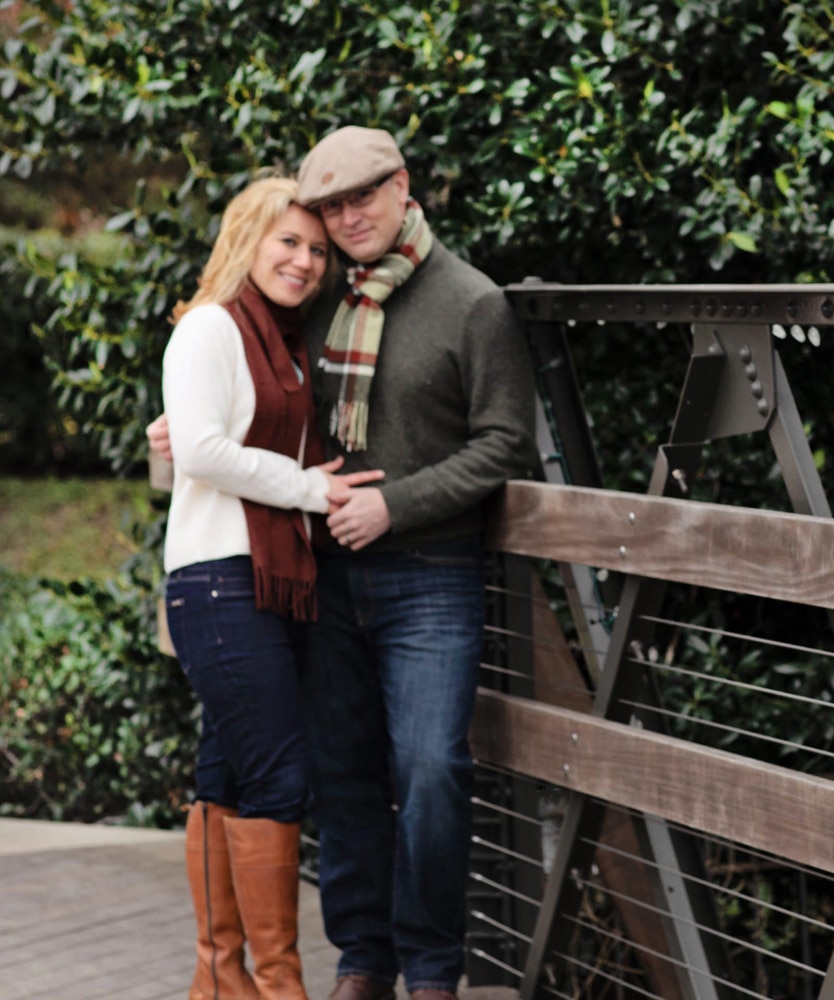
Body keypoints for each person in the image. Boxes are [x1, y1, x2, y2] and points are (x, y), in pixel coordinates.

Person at [158, 127, 537, 1000]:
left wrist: (393, 503)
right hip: (321, 576)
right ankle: (362, 960)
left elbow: (502, 443)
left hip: (430, 574)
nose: (347, 217)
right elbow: (257, 396)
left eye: (363, 195)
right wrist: (178, 433)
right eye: (331, 207)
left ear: (403, 187)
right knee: (339, 769)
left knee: (433, 769)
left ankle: (434, 970)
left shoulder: (471, 302)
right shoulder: (316, 301)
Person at [163, 177, 386, 1000]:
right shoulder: (211, 329)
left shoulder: (286, 344)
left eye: (317, 250)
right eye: (287, 241)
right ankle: (279, 985)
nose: (304, 260)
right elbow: (202, 452)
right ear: (247, 238)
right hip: (218, 580)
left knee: (228, 776)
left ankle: (220, 982)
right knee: (282, 777)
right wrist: (309, 489)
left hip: (273, 579)